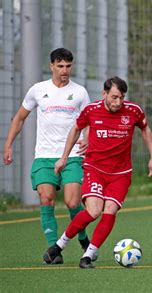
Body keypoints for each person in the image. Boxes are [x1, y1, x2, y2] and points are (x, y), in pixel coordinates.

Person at [43, 76, 152, 268]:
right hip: (95, 168)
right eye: (114, 97)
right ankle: (59, 244)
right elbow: (75, 129)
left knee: (110, 210)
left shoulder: (133, 111)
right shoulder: (91, 110)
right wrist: (64, 158)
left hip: (121, 174)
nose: (118, 102)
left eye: (121, 98)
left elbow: (145, 129)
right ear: (104, 94)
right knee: (93, 211)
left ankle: (88, 256)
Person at [3, 48, 91, 264]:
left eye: (68, 66)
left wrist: (87, 139)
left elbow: (89, 120)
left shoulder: (79, 92)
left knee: (72, 202)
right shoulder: (37, 90)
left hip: (71, 155)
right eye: (60, 66)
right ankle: (55, 250)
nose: (65, 71)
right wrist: (8, 145)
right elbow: (19, 117)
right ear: (51, 65)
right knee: (46, 199)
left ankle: (82, 237)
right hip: (44, 156)